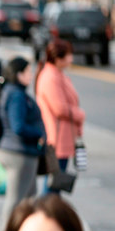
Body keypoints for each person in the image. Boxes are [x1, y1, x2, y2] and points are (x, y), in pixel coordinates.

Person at [0, 57, 45, 224]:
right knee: (17, 199)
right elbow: (18, 127)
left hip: (17, 150)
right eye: (28, 71)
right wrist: (38, 134)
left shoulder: (11, 91)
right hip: (19, 152)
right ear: (19, 74)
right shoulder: (16, 95)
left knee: (28, 196)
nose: (31, 75)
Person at [35, 39, 85, 192]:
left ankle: (53, 214)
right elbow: (60, 108)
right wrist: (80, 114)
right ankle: (47, 214)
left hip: (62, 136)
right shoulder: (51, 77)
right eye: (69, 55)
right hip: (56, 138)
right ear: (58, 58)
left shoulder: (57, 74)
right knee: (53, 184)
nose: (71, 58)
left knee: (56, 183)